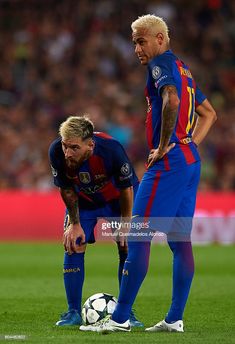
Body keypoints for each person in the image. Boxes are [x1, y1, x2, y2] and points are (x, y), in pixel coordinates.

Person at [79, 14, 217, 333]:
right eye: (134, 42)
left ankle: (120, 319)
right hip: (188, 159)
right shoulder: (184, 69)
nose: (137, 48)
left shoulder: (161, 65)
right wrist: (188, 144)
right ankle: (174, 318)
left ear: (159, 38)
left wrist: (166, 143)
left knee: (137, 235)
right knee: (180, 240)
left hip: (169, 163)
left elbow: (171, 99)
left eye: (141, 41)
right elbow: (209, 113)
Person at [48, 115, 142, 327]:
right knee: (73, 244)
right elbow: (66, 189)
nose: (67, 153)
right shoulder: (56, 152)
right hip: (85, 203)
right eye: (65, 146)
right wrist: (74, 223)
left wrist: (126, 223)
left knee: (127, 246)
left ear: (90, 145)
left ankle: (126, 312)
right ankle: (73, 312)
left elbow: (127, 188)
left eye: (73, 147)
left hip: (117, 201)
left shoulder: (112, 150)